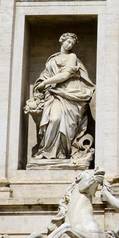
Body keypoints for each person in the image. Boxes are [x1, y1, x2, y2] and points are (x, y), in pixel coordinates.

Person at [25, 33, 95, 162]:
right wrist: (41, 84)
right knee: (54, 119)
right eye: (68, 42)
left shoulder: (72, 57)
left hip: (70, 93)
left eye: (72, 44)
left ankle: (63, 152)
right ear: (61, 41)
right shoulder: (52, 59)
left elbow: (65, 75)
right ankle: (46, 151)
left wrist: (45, 83)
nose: (69, 45)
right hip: (53, 93)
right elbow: (45, 75)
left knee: (66, 124)